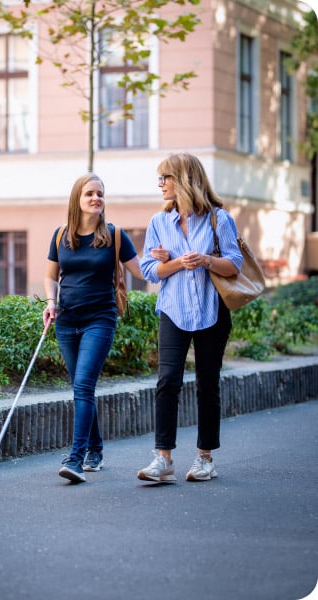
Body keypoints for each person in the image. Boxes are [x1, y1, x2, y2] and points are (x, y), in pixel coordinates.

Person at [137, 153, 243, 483]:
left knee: (207, 383)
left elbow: (235, 264)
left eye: (165, 178)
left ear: (183, 179)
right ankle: (163, 458)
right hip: (173, 310)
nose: (160, 185)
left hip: (212, 311)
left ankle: (205, 458)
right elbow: (148, 270)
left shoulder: (218, 220)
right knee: (168, 380)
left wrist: (208, 260)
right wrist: (175, 263)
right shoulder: (158, 222)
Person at [43, 173, 144, 483]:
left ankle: (75, 458)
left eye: (100, 193)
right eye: (89, 193)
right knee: (81, 387)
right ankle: (95, 450)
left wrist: (166, 259)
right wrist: (50, 301)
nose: (96, 198)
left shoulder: (114, 236)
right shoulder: (61, 235)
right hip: (67, 321)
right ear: (78, 199)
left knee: (83, 386)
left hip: (100, 320)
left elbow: (141, 271)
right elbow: (50, 275)